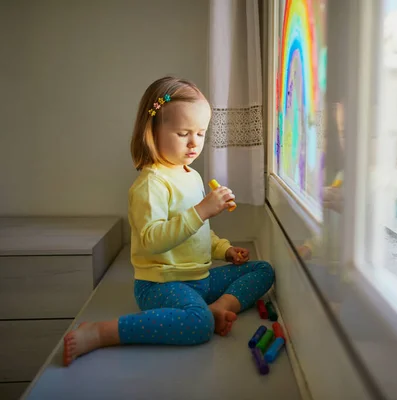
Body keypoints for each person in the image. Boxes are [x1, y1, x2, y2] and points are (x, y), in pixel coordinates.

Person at [63, 77, 275, 366]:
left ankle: (219, 306)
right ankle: (103, 332)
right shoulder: (150, 184)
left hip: (198, 280)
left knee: (264, 270)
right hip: (161, 284)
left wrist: (224, 250)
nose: (193, 143)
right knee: (199, 326)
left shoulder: (192, 176)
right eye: (183, 133)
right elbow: (153, 241)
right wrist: (202, 210)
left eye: (200, 133)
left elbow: (197, 233)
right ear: (153, 132)